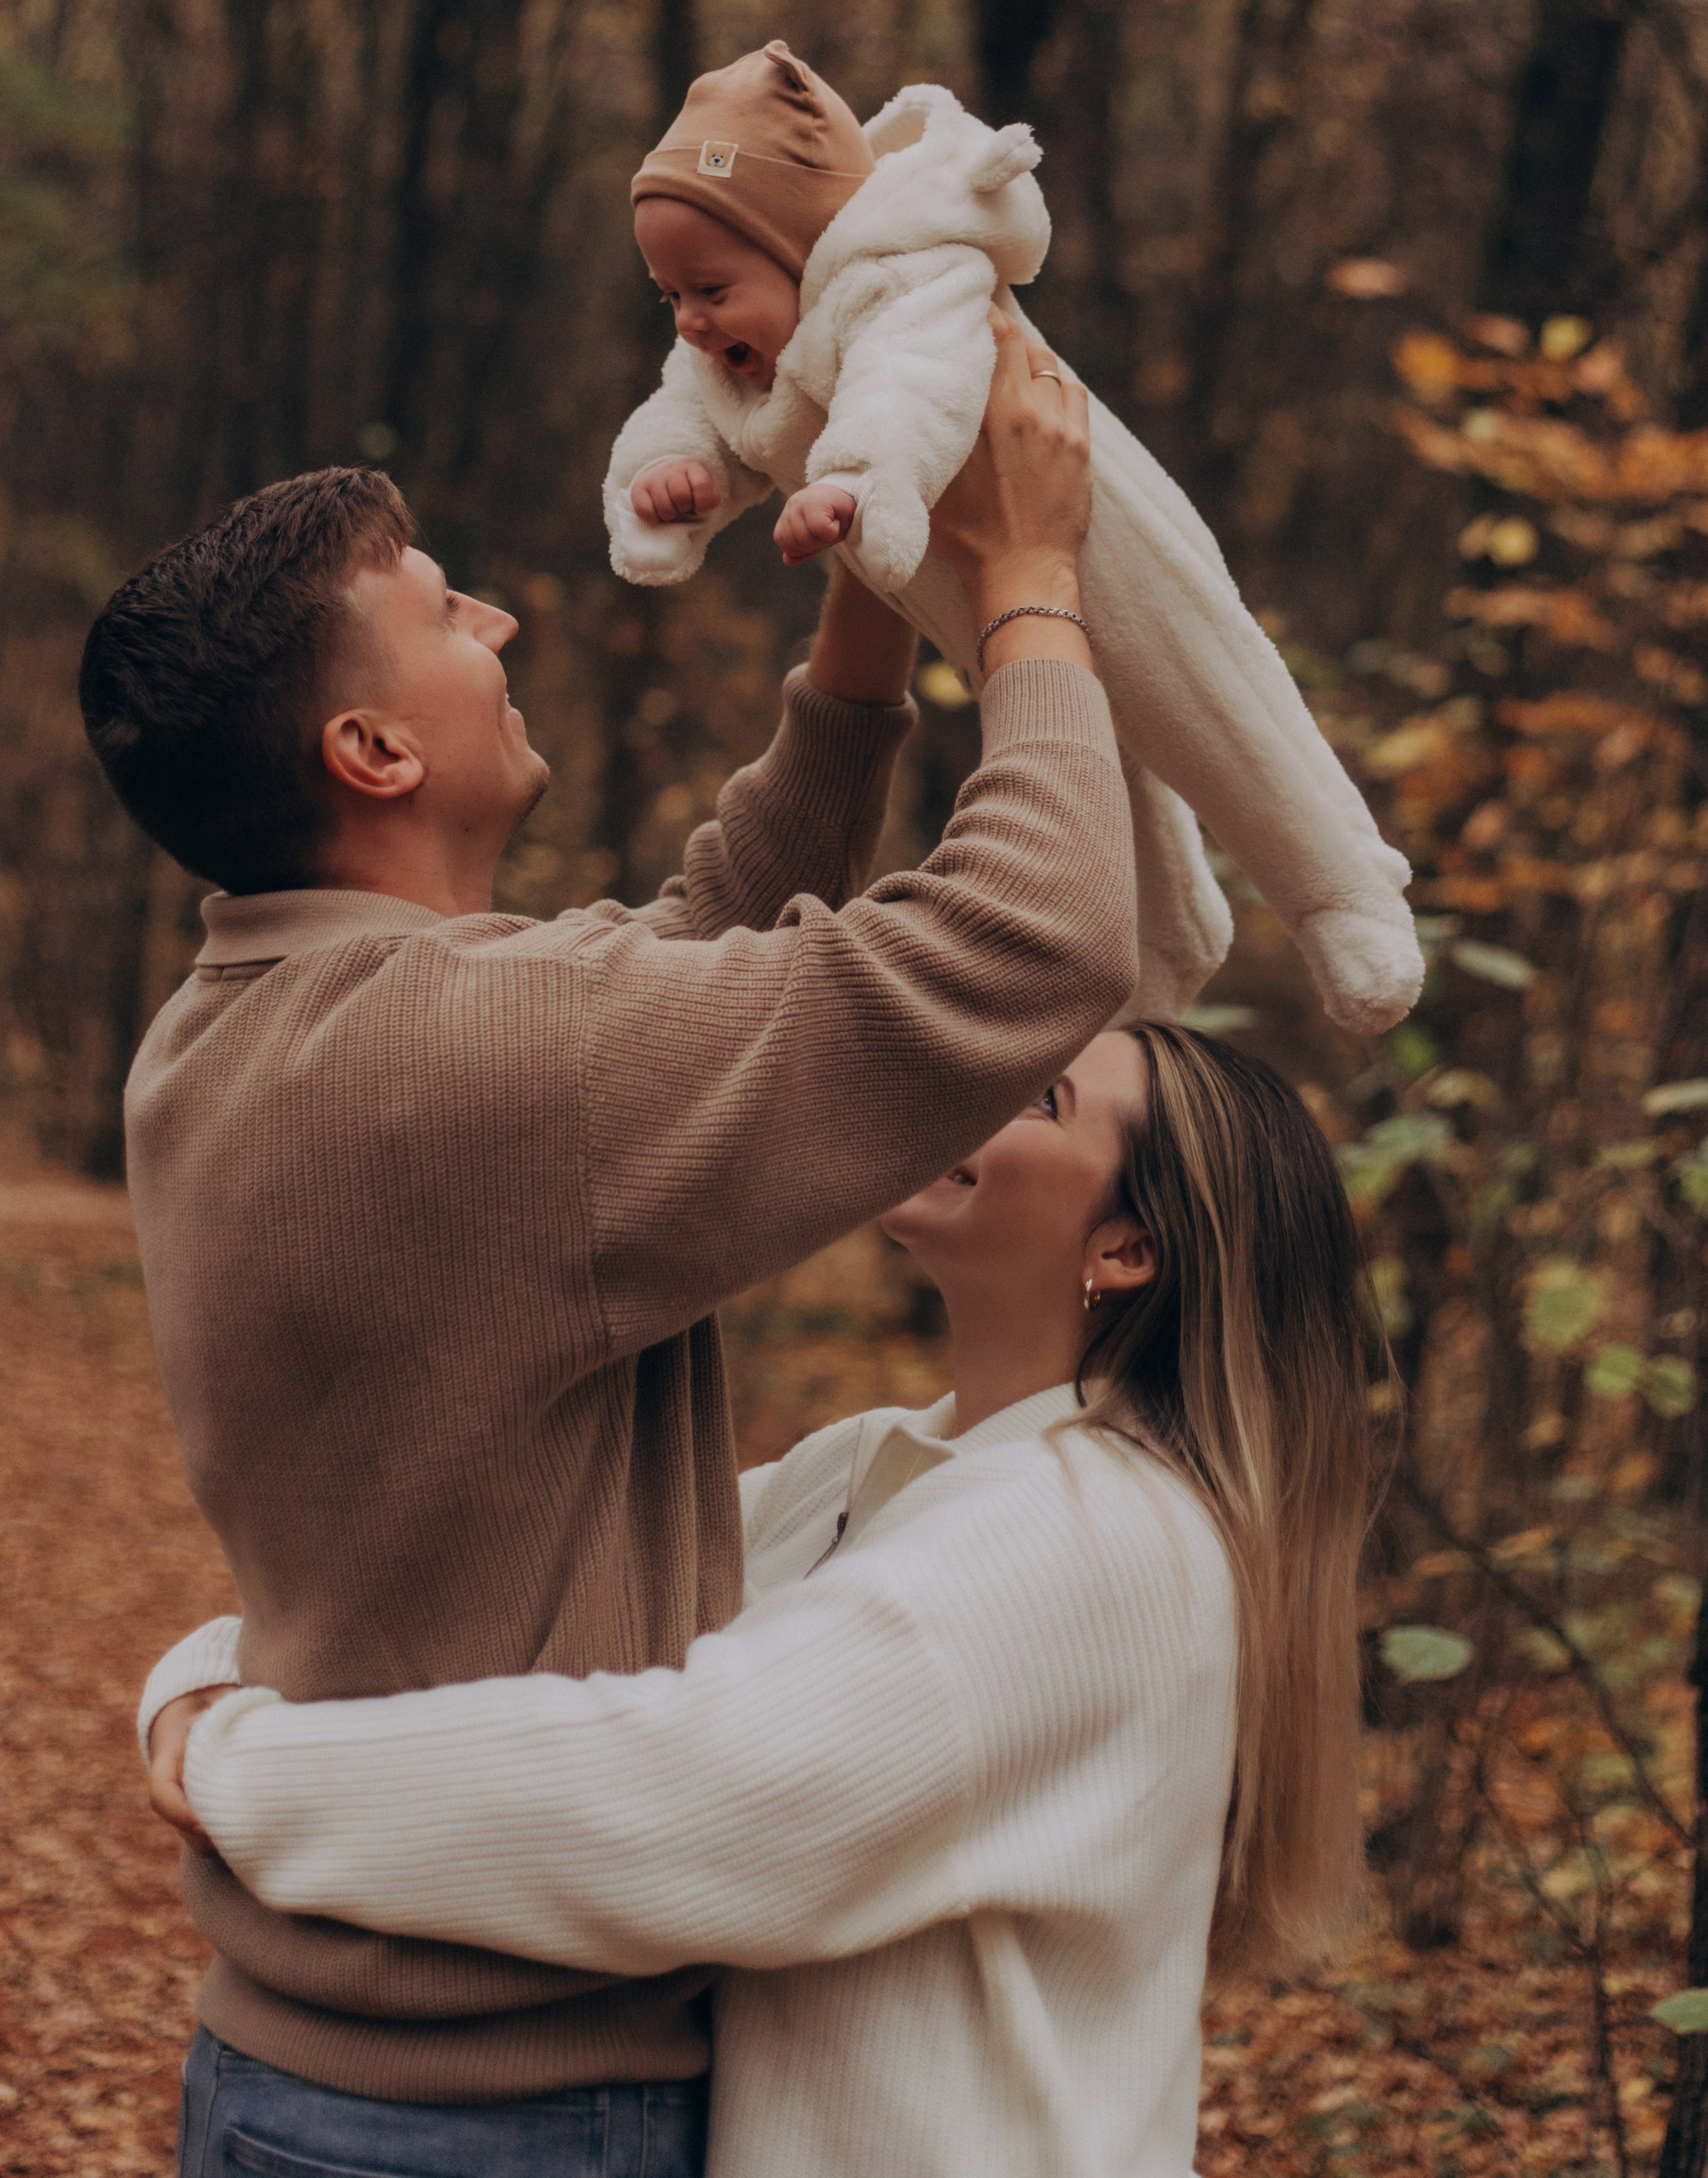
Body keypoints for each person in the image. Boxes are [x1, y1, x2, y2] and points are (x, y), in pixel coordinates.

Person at [80, 321, 1133, 2175]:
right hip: (498, 2109)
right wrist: (1026, 584)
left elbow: (663, 979)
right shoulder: (483, 1063)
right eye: (442, 611)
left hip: (308, 2068)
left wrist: (873, 612)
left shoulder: (243, 1018)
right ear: (374, 744)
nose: (498, 622)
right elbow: (1033, 941)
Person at [144, 1021, 1391, 2178]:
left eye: (1037, 1094)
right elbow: (567, 1576)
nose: (965, 1085)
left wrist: (246, 1767)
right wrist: (214, 1668)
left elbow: (688, 1797)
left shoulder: (1085, 1537)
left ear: (1126, 1248)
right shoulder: (889, 1465)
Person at [606, 40, 1425, 1035]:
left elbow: (911, 385)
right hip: (983, 591)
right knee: (1094, 763)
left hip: (1097, 545)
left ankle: (1343, 891)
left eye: (710, 289)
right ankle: (1161, 948)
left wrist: (860, 480)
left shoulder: (904, 277)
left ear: (803, 243)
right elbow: (684, 411)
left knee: (1212, 709)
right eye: (672, 296)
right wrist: (668, 481)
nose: (689, 323)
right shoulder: (733, 346)